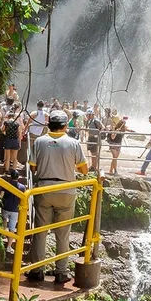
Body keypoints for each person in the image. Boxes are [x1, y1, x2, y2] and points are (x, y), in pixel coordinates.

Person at [26, 110, 88, 285]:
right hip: (66, 190)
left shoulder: (39, 141)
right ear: (65, 126)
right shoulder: (73, 143)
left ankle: (37, 270)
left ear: (49, 125)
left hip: (44, 190)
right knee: (63, 234)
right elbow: (84, 170)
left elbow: (32, 168)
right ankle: (61, 272)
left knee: (40, 232)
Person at [1, 169, 26, 255]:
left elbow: (1, 195)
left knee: (4, 221)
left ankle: (2, 237)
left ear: (10, 176)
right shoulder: (22, 187)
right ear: (18, 177)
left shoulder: (6, 184)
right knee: (12, 228)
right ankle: (9, 247)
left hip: (5, 207)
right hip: (15, 209)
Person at [86, 108, 103, 174]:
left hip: (95, 139)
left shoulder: (96, 120)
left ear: (91, 115)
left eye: (88, 115)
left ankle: (95, 167)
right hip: (91, 138)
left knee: (95, 154)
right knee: (92, 153)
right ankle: (93, 166)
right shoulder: (90, 121)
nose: (87, 116)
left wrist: (97, 135)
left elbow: (102, 128)